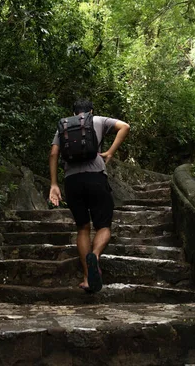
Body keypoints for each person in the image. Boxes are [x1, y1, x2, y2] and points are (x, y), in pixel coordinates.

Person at [48, 99, 130, 293]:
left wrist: (53, 184)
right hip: (96, 178)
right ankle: (95, 254)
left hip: (72, 181)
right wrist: (109, 152)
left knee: (83, 228)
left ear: (73, 112)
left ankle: (87, 278)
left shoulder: (64, 125)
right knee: (103, 225)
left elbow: (53, 154)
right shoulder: (98, 120)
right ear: (91, 111)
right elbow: (125, 127)